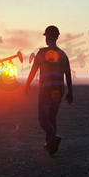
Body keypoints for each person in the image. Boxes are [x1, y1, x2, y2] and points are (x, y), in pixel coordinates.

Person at [25, 25, 73, 154]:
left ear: (49, 37)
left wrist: (27, 84)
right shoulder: (63, 54)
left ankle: (53, 137)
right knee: (52, 117)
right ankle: (50, 144)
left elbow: (33, 70)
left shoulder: (41, 53)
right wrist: (70, 92)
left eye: (47, 36)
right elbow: (68, 74)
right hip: (59, 90)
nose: (46, 39)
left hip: (46, 90)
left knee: (43, 120)